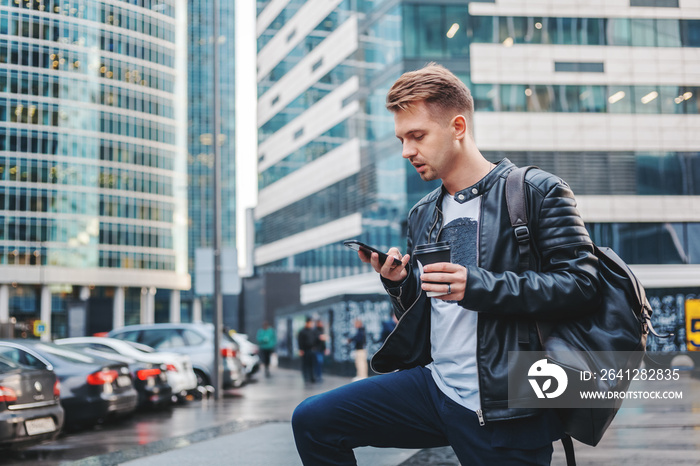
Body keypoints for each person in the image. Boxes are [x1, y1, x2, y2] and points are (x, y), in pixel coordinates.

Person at [292, 63, 601, 465]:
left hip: (510, 403)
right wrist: (402, 285)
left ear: (458, 127)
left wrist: (478, 285)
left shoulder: (536, 191)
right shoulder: (423, 213)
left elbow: (582, 285)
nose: (406, 151)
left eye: (417, 136)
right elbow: (429, 315)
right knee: (314, 420)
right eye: (402, 138)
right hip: (436, 389)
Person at [297, 317, 317, 384]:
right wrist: (300, 349)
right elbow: (300, 341)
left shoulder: (312, 331)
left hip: (312, 350)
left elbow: (315, 340)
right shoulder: (302, 331)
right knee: (305, 364)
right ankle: (306, 377)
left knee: (312, 364)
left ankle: (312, 377)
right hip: (305, 350)